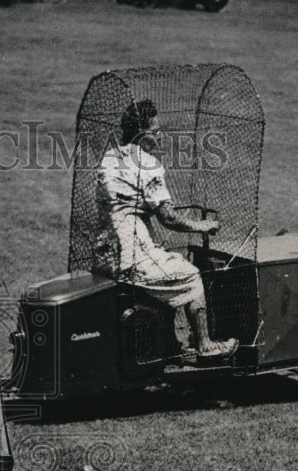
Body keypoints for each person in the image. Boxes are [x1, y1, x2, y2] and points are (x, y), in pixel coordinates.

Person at [94, 98, 238, 360]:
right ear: (140, 133)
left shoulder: (110, 157)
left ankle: (170, 345)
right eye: (154, 132)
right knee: (191, 275)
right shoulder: (147, 164)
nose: (159, 136)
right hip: (132, 257)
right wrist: (202, 225)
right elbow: (168, 218)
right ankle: (206, 345)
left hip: (105, 256)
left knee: (169, 269)